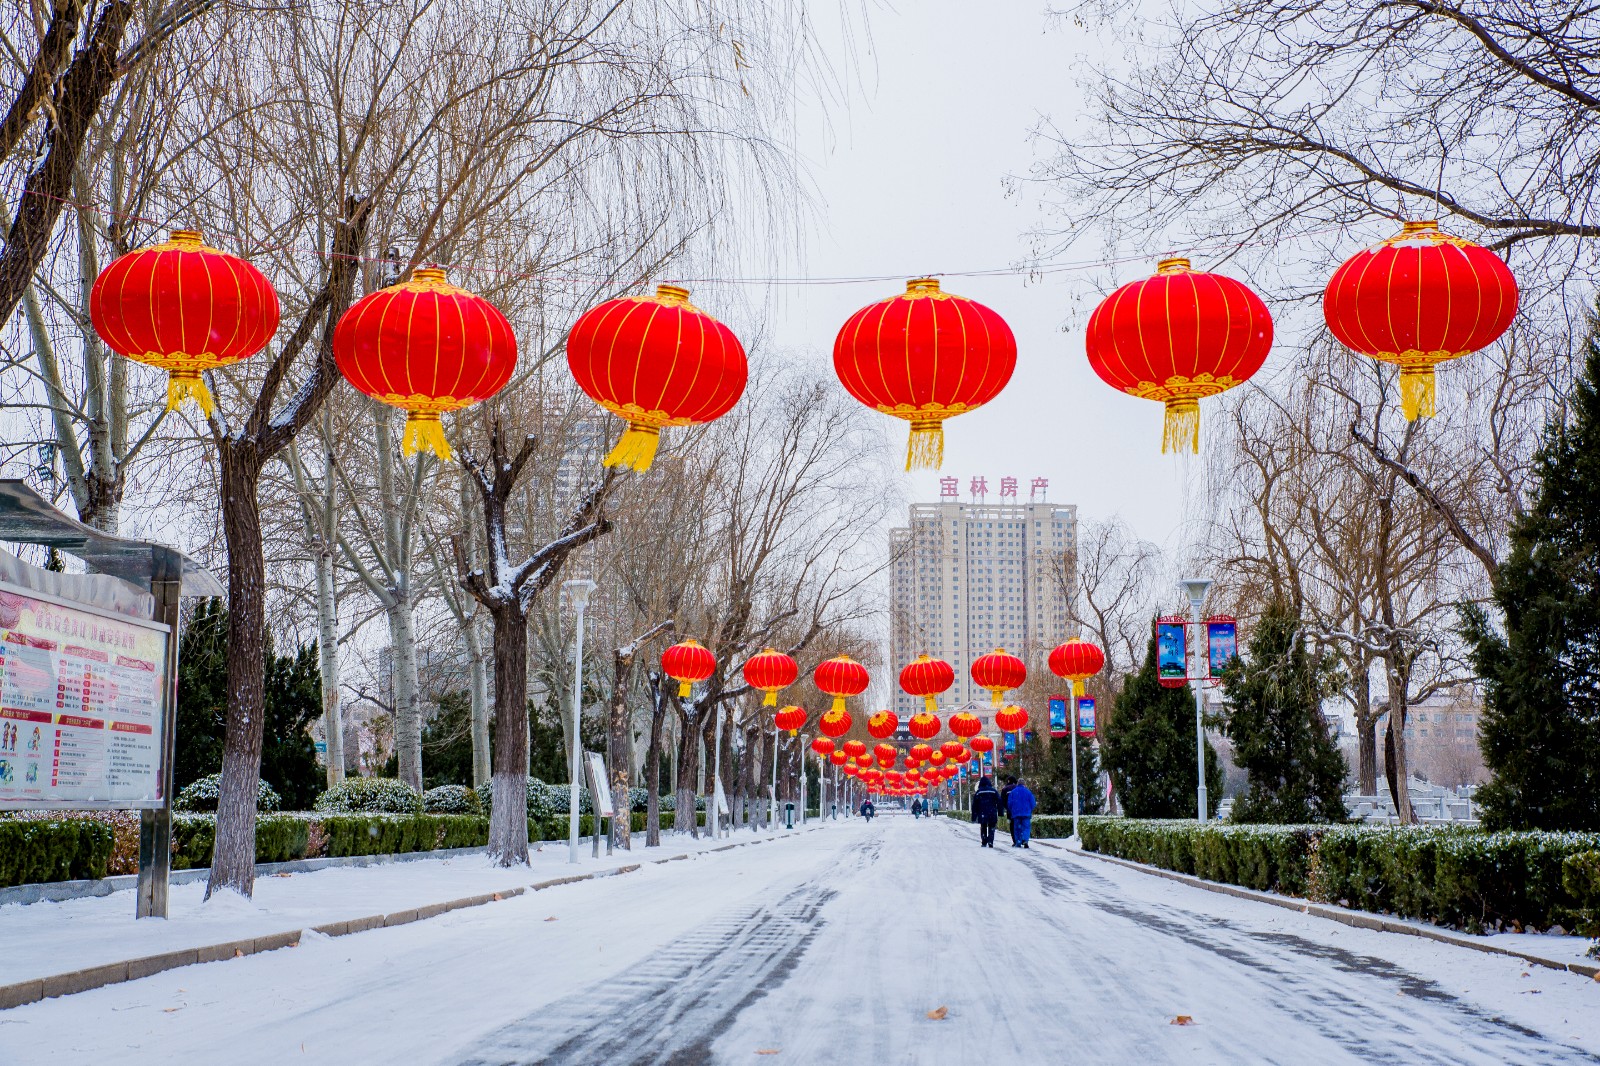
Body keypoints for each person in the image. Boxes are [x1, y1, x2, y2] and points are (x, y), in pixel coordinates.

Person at [970, 775, 1000, 847]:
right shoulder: (993, 791)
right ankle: (990, 840)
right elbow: (999, 801)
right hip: (992, 812)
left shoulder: (979, 792)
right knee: (992, 827)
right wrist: (1000, 812)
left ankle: (984, 841)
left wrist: (974, 816)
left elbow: (974, 805)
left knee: (983, 826)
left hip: (982, 812)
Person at [1008, 774, 1036, 848]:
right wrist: (1029, 809)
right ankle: (1025, 840)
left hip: (1016, 813)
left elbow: (1009, 803)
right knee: (1026, 827)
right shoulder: (1028, 792)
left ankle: (1018, 841)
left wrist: (1012, 810)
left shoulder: (1013, 792)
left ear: (1017, 784)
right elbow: (1033, 803)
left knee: (1017, 828)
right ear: (1024, 784)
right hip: (1026, 813)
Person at [997, 775, 1017, 845]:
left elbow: (1002, 801)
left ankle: (1015, 840)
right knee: (1019, 824)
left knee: (1012, 825)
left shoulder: (1005, 789)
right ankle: (1021, 839)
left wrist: (1006, 808)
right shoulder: (1018, 788)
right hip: (1019, 809)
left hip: (1010, 810)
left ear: (1008, 781)